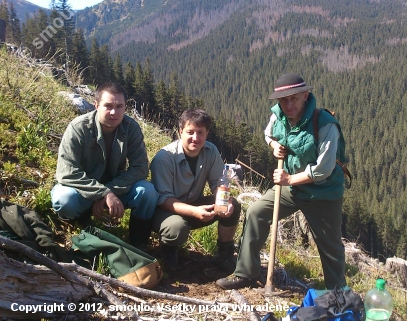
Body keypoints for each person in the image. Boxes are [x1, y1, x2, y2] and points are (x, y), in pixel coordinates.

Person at [217, 73, 347, 290]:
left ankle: (337, 293)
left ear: (305, 95)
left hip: (321, 192)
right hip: (291, 189)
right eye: (283, 100)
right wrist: (273, 146)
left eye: (293, 98)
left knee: (330, 245)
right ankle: (246, 273)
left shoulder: (325, 123)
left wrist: (289, 179)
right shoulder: (278, 116)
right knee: (256, 213)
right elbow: (269, 134)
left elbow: (324, 169)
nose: (288, 104)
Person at [51, 83, 158, 249]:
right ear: (96, 105)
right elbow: (66, 172)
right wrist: (102, 193)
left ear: (125, 107)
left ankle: (139, 241)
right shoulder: (78, 128)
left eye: (119, 106)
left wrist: (111, 190)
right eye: (108, 106)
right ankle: (79, 224)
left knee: (147, 192)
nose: (114, 112)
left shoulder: (131, 128)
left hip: (117, 189)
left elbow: (141, 168)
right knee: (64, 199)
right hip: (83, 191)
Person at [150, 109, 241, 270]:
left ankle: (224, 253)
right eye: (190, 132)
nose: (195, 138)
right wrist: (194, 211)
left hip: (194, 205)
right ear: (180, 132)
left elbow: (218, 182)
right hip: (166, 212)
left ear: (207, 133)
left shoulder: (210, 151)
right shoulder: (164, 158)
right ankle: (169, 251)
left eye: (200, 132)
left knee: (232, 205)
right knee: (177, 227)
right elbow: (164, 200)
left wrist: (224, 202)